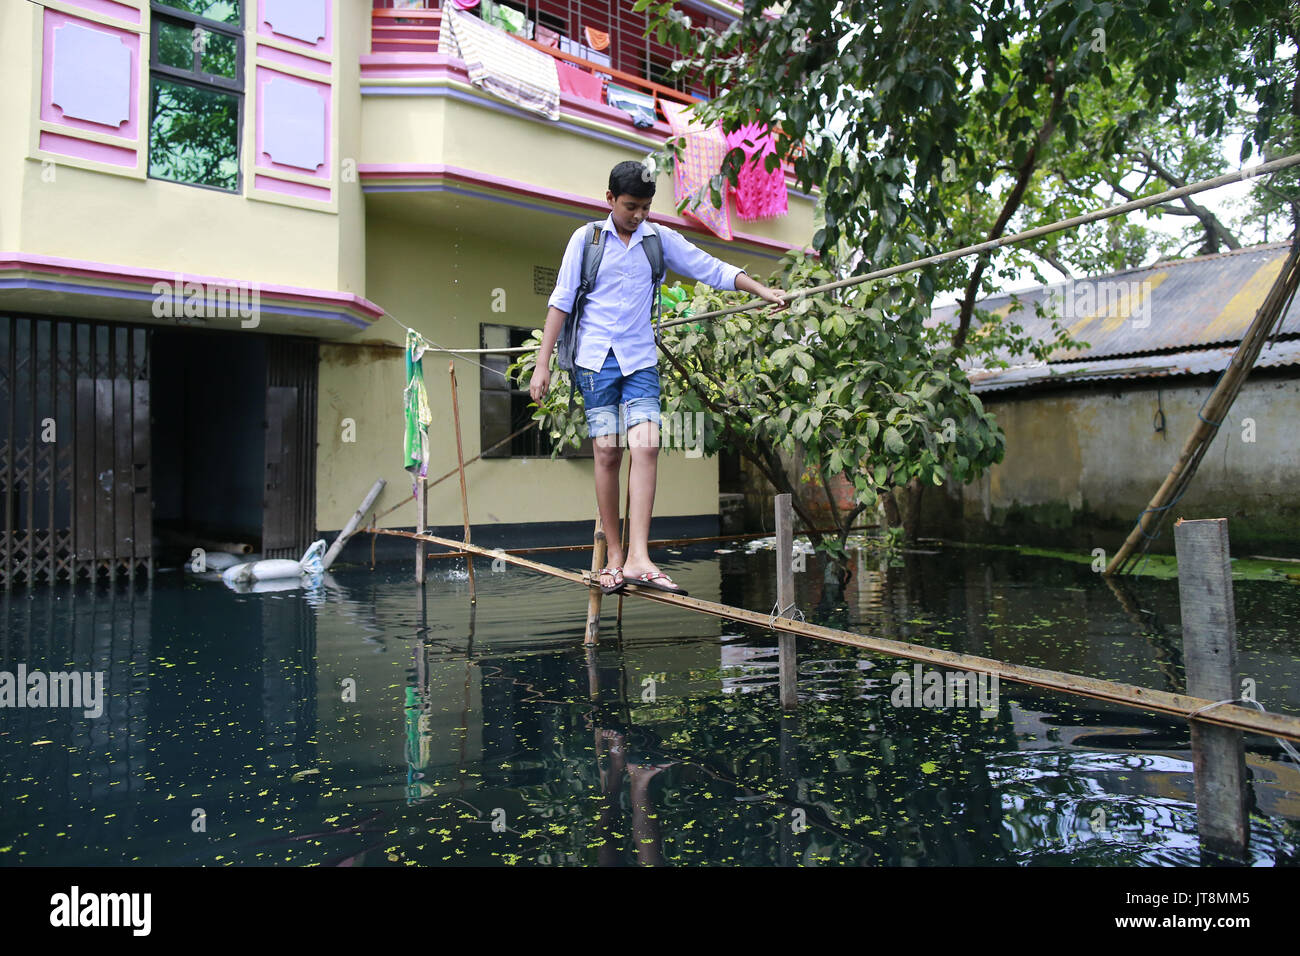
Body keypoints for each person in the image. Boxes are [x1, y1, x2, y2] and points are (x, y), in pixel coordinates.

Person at [530, 160, 785, 595]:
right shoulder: (586, 240)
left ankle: (639, 558)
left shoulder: (658, 240)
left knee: (646, 446)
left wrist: (761, 291)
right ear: (610, 199)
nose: (639, 215)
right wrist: (543, 363)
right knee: (608, 454)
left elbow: (710, 266)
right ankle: (614, 556)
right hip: (595, 363)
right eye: (631, 206)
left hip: (640, 361)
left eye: (646, 207)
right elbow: (561, 301)